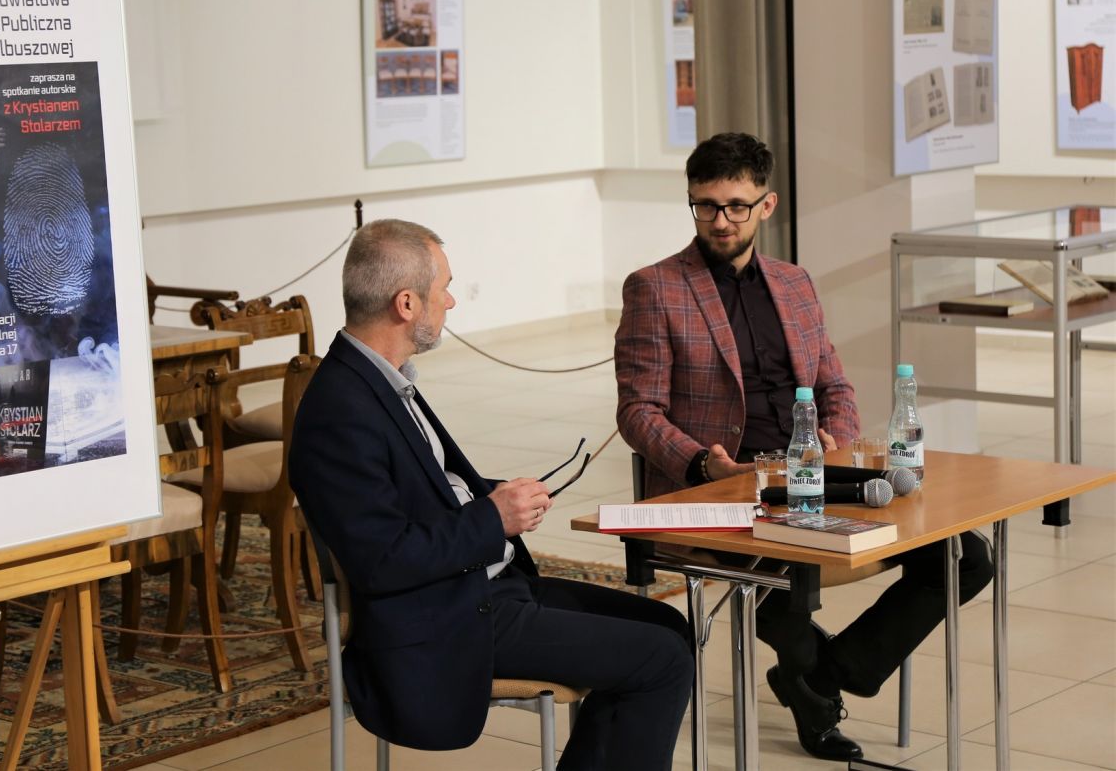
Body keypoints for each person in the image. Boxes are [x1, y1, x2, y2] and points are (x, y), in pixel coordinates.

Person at [614, 133, 993, 762]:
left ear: (766, 205)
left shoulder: (793, 283)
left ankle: (829, 673)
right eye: (705, 206)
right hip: (723, 488)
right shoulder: (656, 288)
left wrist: (836, 434)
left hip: (813, 474)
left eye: (736, 206)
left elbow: (835, 385)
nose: (720, 221)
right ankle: (814, 692)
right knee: (789, 573)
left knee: (966, 557)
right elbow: (638, 412)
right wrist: (703, 463)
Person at [290, 219, 694, 771]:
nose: (451, 301)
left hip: (480, 587)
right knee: (660, 658)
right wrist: (493, 518)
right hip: (445, 619)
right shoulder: (339, 410)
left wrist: (497, 495)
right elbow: (381, 561)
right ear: (406, 303)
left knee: (667, 627)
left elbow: (423, 490)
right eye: (444, 288)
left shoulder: (379, 379)